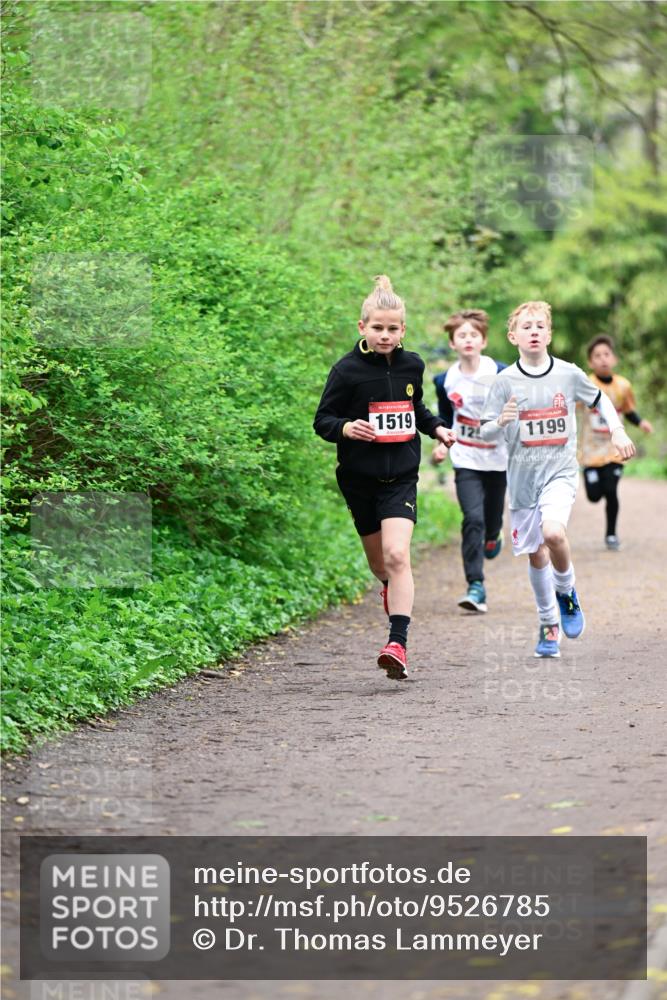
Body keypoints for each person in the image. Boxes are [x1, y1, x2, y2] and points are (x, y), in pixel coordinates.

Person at [313, 275, 456, 680]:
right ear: (362, 327)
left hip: (401, 478)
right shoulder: (346, 370)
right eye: (377, 328)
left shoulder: (413, 364)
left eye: (393, 329)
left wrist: (438, 428)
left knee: (397, 556)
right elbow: (322, 420)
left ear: (403, 330)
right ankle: (391, 592)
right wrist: (345, 428)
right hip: (358, 480)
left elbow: (417, 409)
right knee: (381, 566)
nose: (385, 335)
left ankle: (397, 644)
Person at [479, 301, 636, 658]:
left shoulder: (568, 373)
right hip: (522, 480)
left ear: (549, 334)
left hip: (559, 472)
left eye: (539, 326)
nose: (533, 331)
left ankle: (566, 591)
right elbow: (485, 431)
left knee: (553, 533)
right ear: (512, 336)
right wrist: (501, 421)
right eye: (526, 326)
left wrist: (618, 431)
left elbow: (601, 401)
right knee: (535, 555)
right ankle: (548, 624)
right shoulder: (504, 382)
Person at [431, 309, 508, 613]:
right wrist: (442, 445)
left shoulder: (501, 373)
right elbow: (445, 418)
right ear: (452, 343)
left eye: (473, 335)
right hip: (465, 456)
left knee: (491, 519)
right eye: (461, 335)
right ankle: (476, 586)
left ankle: (494, 535)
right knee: (471, 518)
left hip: (498, 456)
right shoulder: (445, 380)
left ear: (483, 341)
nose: (467, 340)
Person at [578, 334, 653, 551]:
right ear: (591, 362)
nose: (602, 359)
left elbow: (629, 411)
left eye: (606, 354)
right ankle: (595, 485)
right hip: (591, 451)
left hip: (615, 450)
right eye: (597, 356)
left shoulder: (623, 386)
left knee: (611, 490)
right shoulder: (586, 384)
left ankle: (611, 534)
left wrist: (641, 423)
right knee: (594, 496)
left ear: (614, 359)